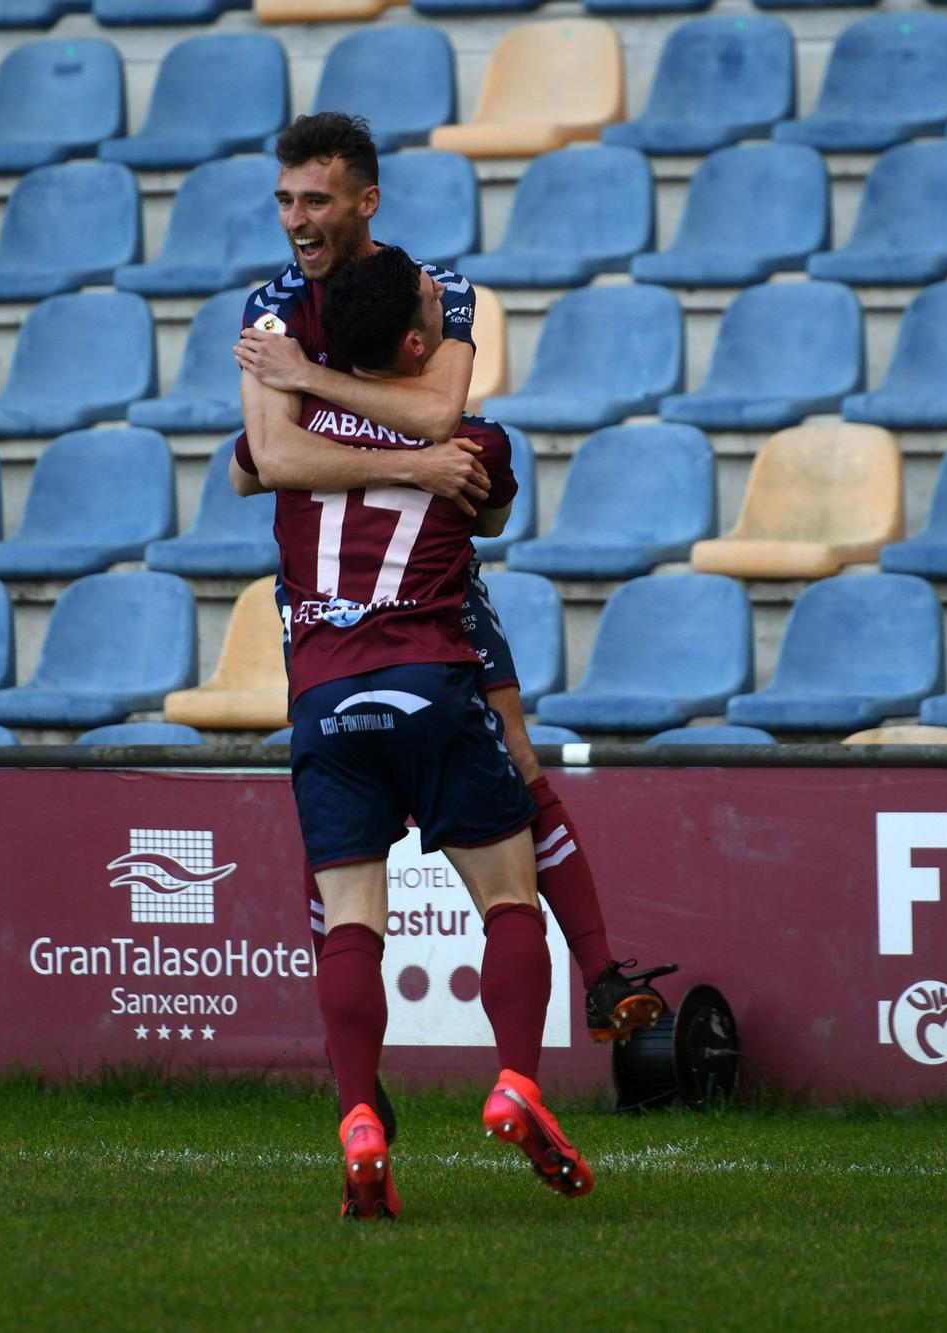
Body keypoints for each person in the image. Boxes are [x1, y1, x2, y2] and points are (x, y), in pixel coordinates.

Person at [232, 113, 677, 1067]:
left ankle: (596, 972)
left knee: (511, 762)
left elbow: (430, 414)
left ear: (364, 202)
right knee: (389, 827)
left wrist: (311, 382)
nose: (296, 220)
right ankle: (477, 1050)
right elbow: (269, 458)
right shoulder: (269, 306)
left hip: (418, 593)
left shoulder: (437, 292)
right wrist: (420, 467)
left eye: (314, 200)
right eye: (284, 200)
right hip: (364, 590)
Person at [238, 245, 593, 1220]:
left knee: (351, 919)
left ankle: (358, 1113)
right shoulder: (472, 446)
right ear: (412, 340)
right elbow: (490, 505)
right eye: (433, 303)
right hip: (431, 685)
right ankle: (516, 1080)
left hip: (320, 700)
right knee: (506, 894)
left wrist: (300, 382)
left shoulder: (294, 430)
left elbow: (249, 470)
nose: (444, 301)